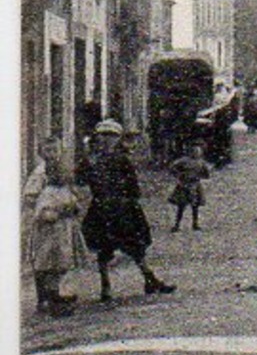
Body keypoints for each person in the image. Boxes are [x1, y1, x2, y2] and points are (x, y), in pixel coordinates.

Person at [77, 119, 174, 302]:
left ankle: (149, 279)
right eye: (104, 136)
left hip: (123, 208)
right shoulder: (91, 160)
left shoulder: (121, 160)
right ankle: (105, 287)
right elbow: (80, 180)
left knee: (135, 246)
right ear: (97, 138)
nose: (107, 140)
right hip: (102, 208)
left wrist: (130, 202)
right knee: (103, 248)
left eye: (111, 136)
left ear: (117, 139)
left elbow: (133, 185)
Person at [25, 143, 83, 317]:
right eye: (47, 150)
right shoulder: (39, 176)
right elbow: (31, 199)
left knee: (62, 264)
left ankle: (60, 299)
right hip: (47, 230)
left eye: (55, 150)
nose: (52, 154)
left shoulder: (63, 187)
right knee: (44, 263)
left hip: (64, 231)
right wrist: (51, 212)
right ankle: (45, 300)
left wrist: (73, 208)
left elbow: (75, 200)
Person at [167, 141, 210, 232]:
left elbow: (206, 174)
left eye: (198, 152)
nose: (196, 153)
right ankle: (177, 224)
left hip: (195, 185)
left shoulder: (201, 162)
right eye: (194, 151)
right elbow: (172, 168)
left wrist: (200, 175)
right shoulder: (183, 161)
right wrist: (179, 175)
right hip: (184, 184)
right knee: (181, 205)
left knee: (195, 206)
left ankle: (195, 224)